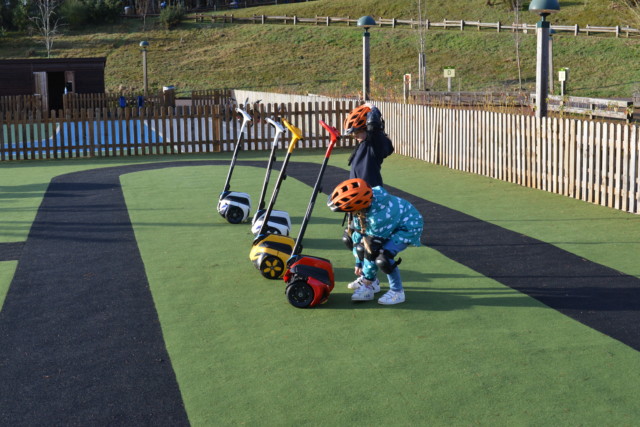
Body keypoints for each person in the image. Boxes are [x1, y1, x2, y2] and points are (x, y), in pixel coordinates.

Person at [328, 178, 423, 305]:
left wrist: (367, 278)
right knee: (350, 238)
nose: (347, 213)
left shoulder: (378, 218)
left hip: (408, 227)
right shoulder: (363, 205)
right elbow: (358, 235)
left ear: (358, 206)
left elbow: (371, 249)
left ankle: (397, 291)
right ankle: (373, 283)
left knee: (383, 257)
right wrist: (359, 263)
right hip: (390, 225)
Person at [344, 104, 394, 188]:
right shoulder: (362, 145)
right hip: (357, 193)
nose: (355, 136)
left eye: (357, 132)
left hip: (371, 194)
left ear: (367, 130)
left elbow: (374, 126)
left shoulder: (374, 145)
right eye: (352, 134)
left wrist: (373, 109)